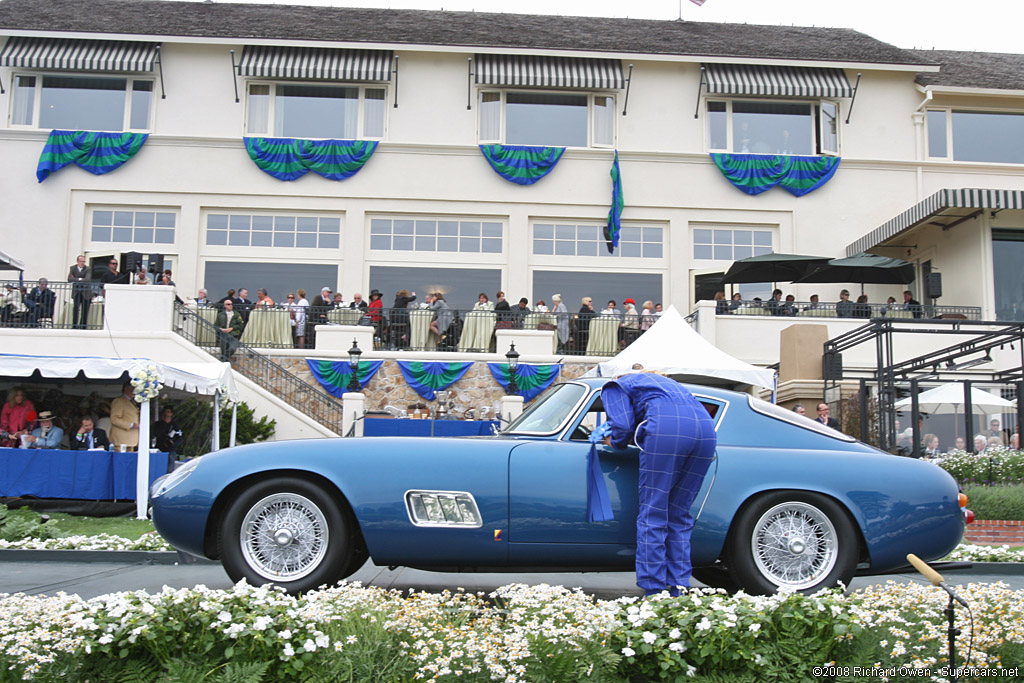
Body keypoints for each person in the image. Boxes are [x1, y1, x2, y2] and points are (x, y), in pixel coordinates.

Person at [600, 371, 717, 595]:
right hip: (705, 430)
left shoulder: (614, 386)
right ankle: (679, 587)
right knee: (680, 515)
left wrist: (613, 440)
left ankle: (653, 591)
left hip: (667, 429)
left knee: (653, 512)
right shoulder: (666, 384)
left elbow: (623, 426)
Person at [109, 382, 141, 451]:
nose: (135, 391)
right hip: (121, 440)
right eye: (133, 388)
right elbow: (114, 419)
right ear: (126, 389)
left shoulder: (132, 402)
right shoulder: (119, 401)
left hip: (131, 440)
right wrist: (130, 425)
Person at [67, 254, 92, 329]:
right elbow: (69, 279)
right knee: (76, 309)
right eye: (81, 261)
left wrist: (77, 279)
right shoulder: (73, 268)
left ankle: (83, 325)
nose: (83, 263)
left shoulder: (88, 268)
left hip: (86, 292)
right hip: (77, 292)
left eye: (84, 261)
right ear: (77, 261)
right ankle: (74, 325)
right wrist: (81, 279)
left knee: (85, 310)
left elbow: (88, 279)